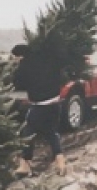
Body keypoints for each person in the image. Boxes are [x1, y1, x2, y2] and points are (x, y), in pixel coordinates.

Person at [11, 41, 68, 176]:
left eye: (15, 57)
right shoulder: (47, 58)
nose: (15, 60)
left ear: (20, 56)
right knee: (51, 132)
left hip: (40, 105)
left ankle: (25, 165)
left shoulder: (24, 66)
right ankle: (60, 161)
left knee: (27, 132)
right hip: (55, 102)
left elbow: (18, 85)